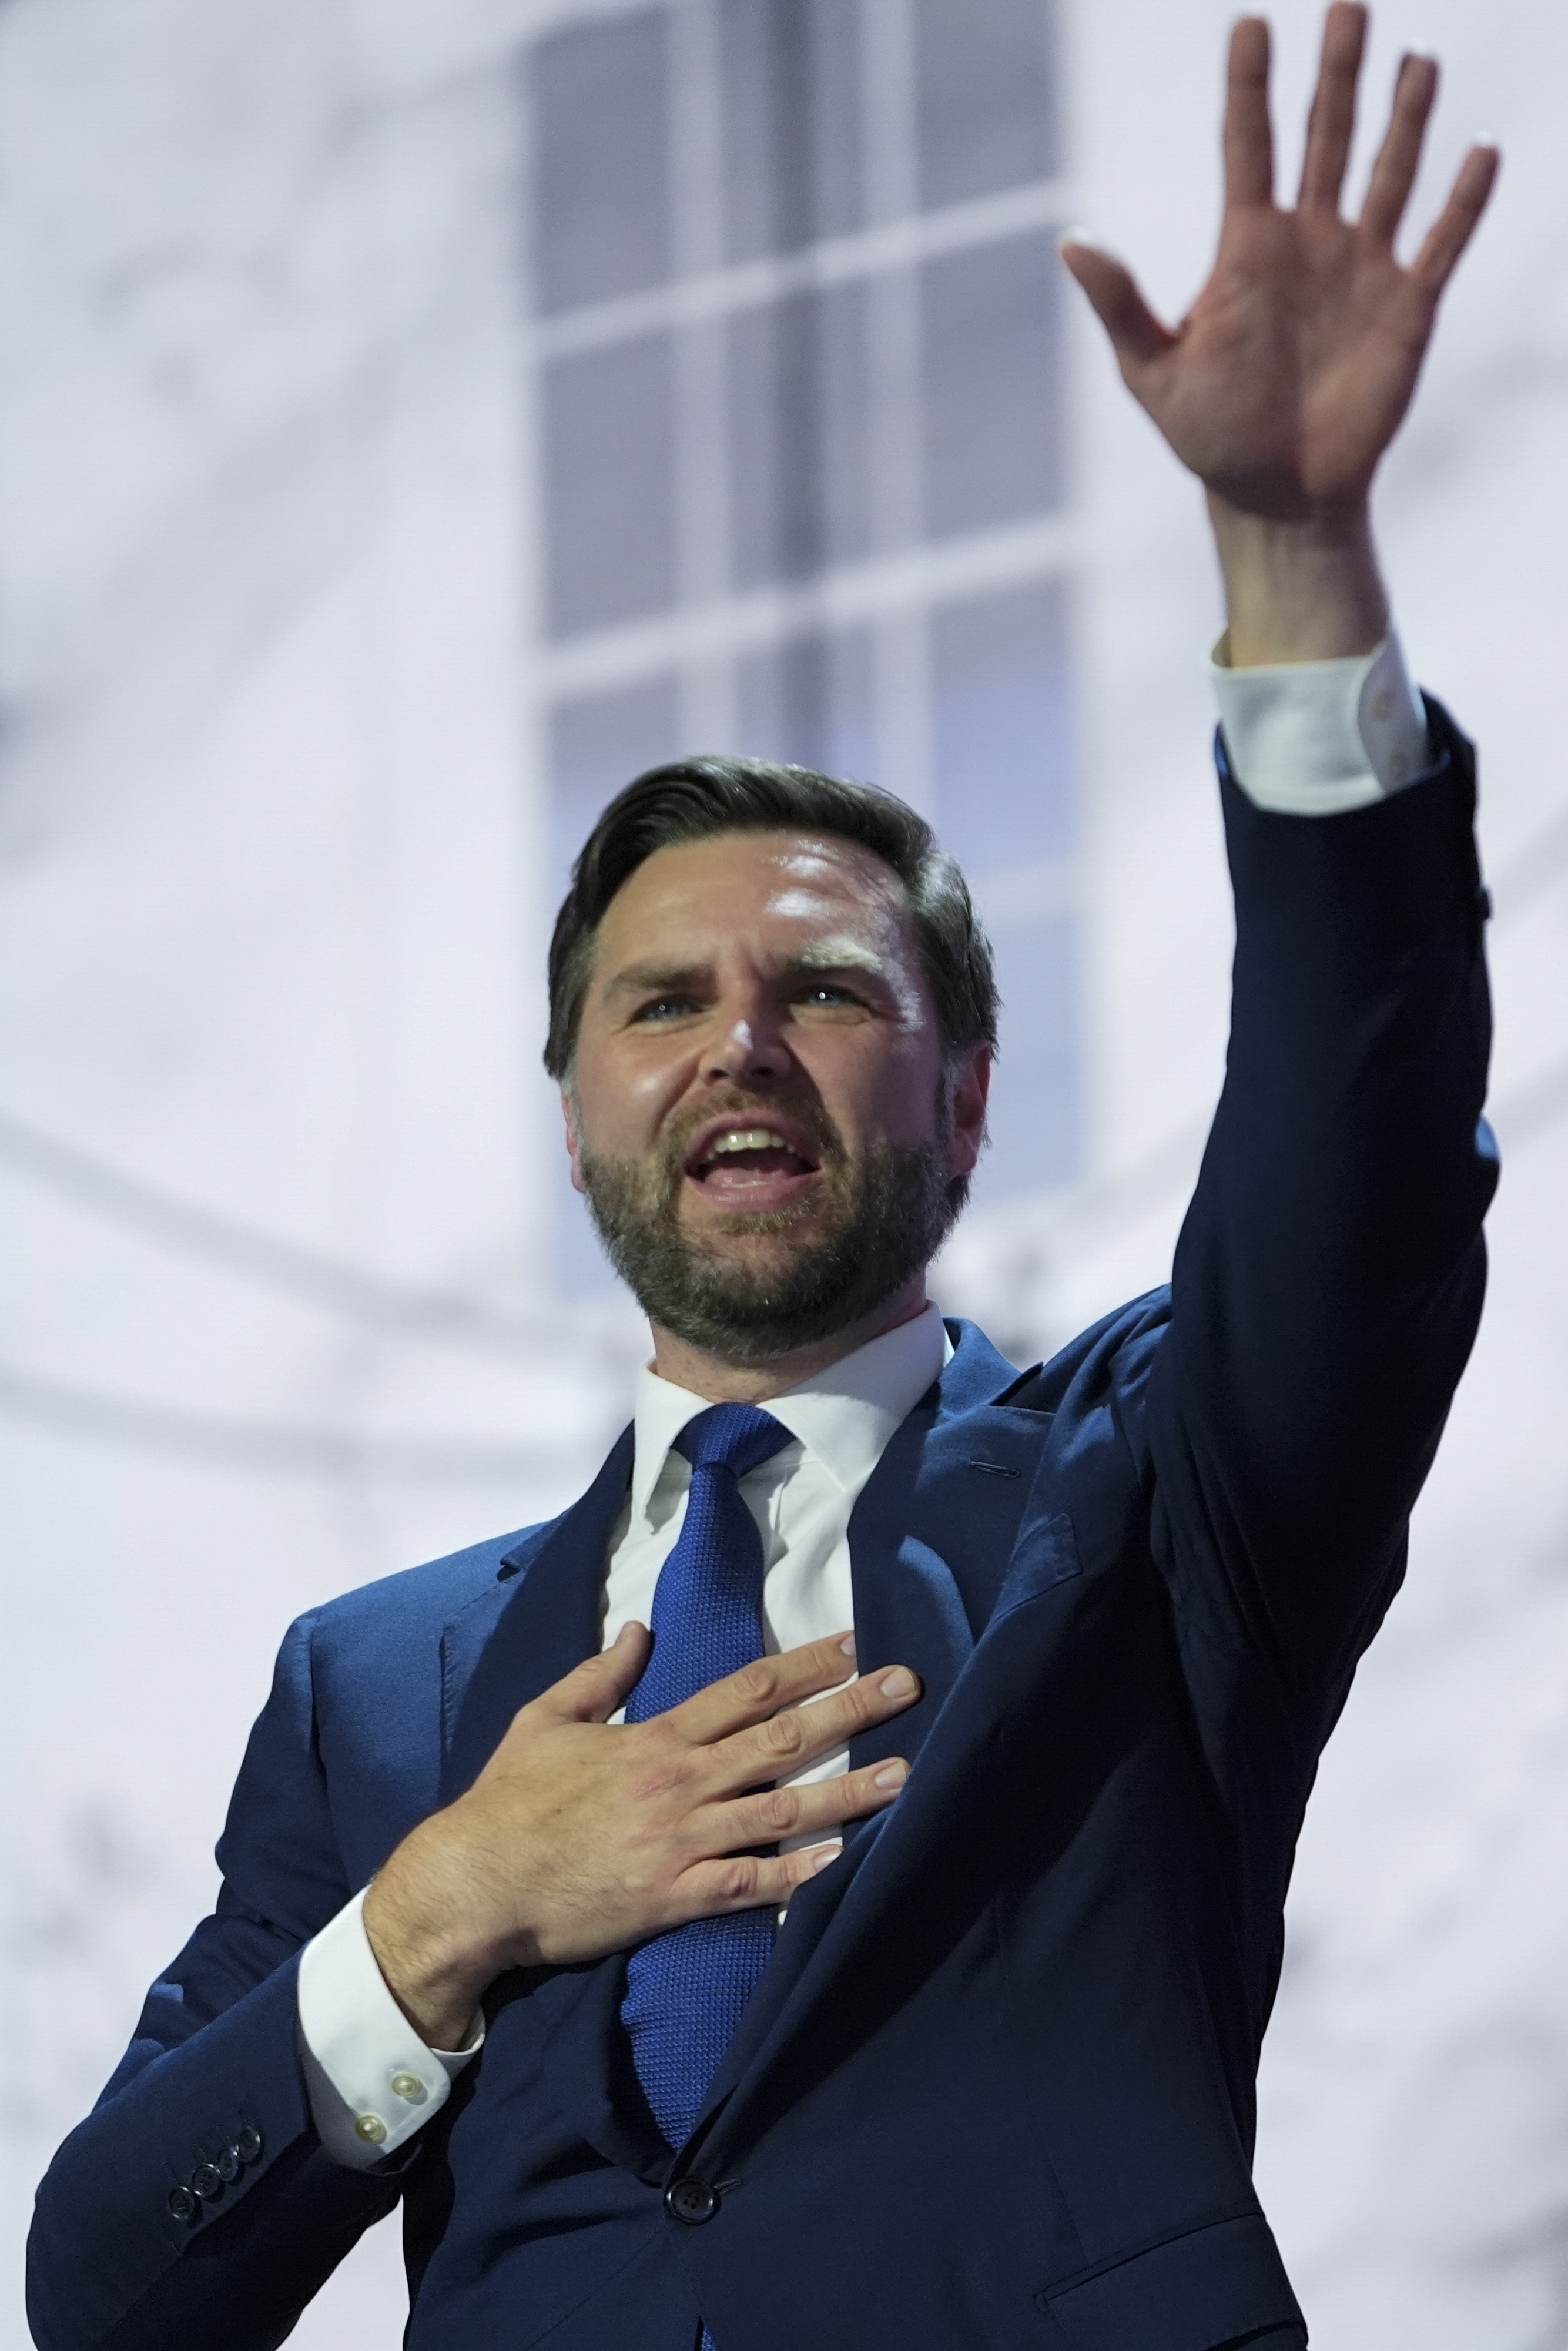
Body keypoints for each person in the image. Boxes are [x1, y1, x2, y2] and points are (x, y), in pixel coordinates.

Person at [28, 11, 1500, 2348]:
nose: (734, 1037)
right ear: (577, 1104)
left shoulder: (1158, 1492)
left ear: (968, 1094)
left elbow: (1362, 1154)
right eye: (656, 998)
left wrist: (1290, 555)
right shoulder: (382, 1693)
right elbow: (108, 2286)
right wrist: (439, 1914)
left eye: (821, 989)